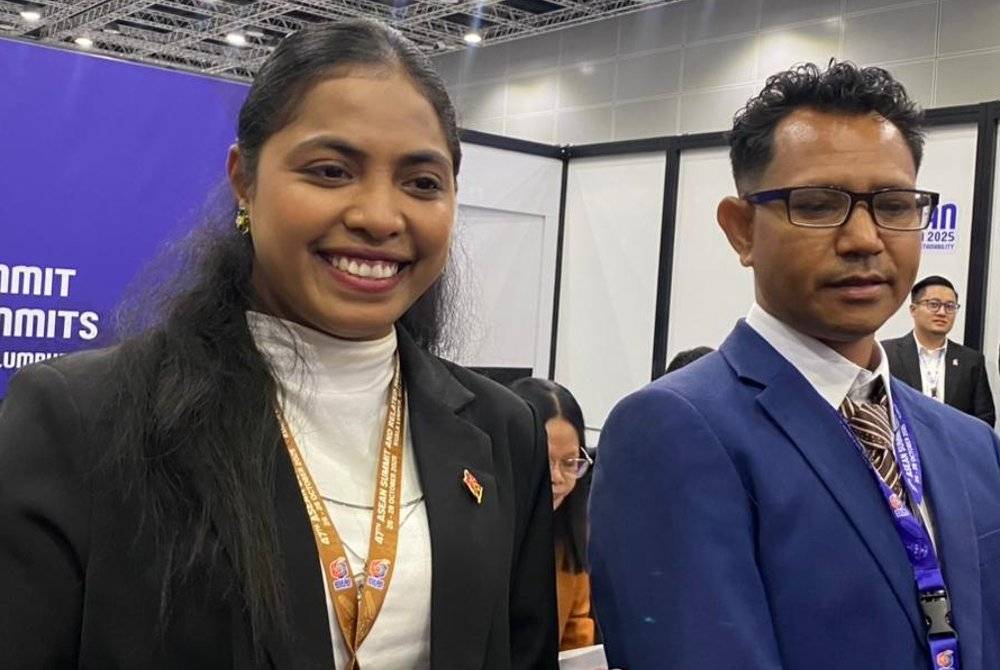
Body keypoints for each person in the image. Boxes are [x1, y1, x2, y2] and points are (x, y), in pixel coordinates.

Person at [0, 20, 558, 669]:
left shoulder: (501, 431)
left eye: (422, 183)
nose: (380, 216)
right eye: (331, 170)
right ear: (245, 180)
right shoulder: (81, 421)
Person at [589, 62, 1000, 670]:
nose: (865, 238)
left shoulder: (970, 445)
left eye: (892, 204)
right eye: (816, 205)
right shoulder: (673, 432)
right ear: (741, 230)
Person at [510, 378, 597, 652]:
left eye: (570, 463)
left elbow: (577, 635)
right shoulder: (479, 536)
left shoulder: (570, 538)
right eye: (544, 461)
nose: (558, 478)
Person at [883, 275, 995, 427]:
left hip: (954, 448)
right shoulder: (887, 354)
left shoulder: (971, 361)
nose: (942, 312)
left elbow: (984, 419)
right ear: (913, 309)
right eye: (933, 304)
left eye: (950, 306)